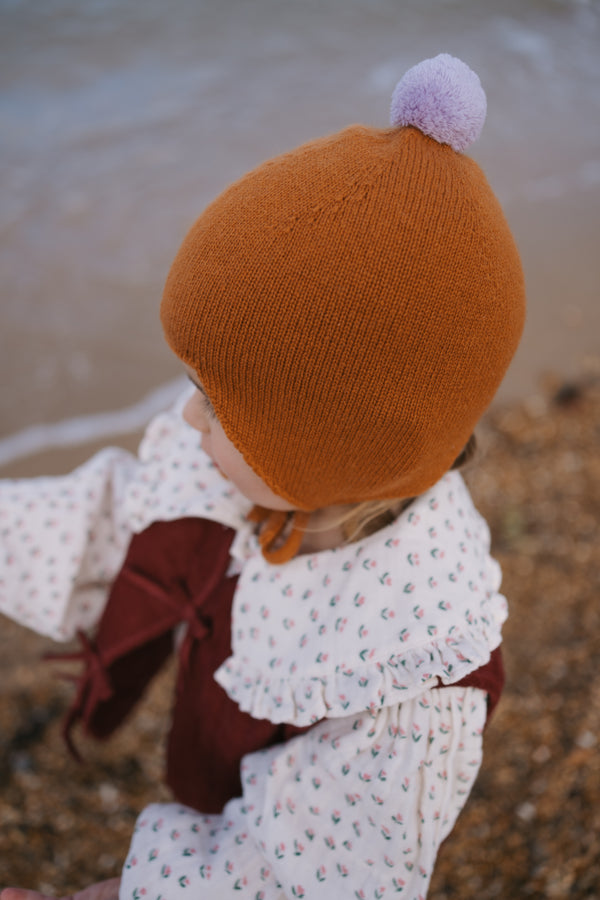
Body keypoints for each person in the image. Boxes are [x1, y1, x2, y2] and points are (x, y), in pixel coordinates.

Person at [0, 53, 525, 900]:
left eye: (218, 402)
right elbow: (107, 521)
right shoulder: (245, 482)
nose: (186, 417)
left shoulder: (414, 665)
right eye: (194, 384)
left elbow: (301, 871)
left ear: (333, 444)